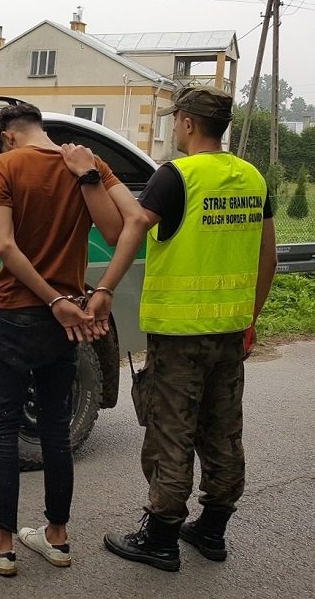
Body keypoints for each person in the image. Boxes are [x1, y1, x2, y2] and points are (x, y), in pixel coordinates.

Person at [0, 102, 145, 577]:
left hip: (19, 312)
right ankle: (56, 537)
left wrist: (51, 298)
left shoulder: (4, 165)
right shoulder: (86, 164)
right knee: (55, 428)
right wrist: (88, 294)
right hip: (69, 317)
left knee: (2, 429)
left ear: (7, 136)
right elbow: (122, 229)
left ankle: (0, 545)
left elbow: (4, 246)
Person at [103, 85, 278, 571]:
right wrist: (250, 319)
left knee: (170, 433)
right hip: (231, 331)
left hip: (179, 334)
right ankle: (212, 528)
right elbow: (268, 257)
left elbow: (129, 229)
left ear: (186, 122)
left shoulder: (176, 176)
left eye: (175, 119)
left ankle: (160, 537)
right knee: (223, 431)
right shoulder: (252, 177)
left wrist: (103, 290)